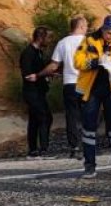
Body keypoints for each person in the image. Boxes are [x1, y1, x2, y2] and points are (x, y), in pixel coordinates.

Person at [73, 14, 111, 179]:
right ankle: (89, 166)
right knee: (89, 128)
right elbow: (77, 61)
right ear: (103, 29)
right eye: (109, 33)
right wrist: (96, 61)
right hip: (91, 90)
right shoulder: (89, 41)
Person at [43, 15, 89, 159]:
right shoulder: (89, 42)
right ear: (81, 26)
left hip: (70, 83)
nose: (87, 28)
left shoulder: (63, 43)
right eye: (86, 25)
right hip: (86, 83)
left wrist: (39, 74)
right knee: (89, 114)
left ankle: (74, 147)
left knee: (71, 115)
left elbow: (54, 65)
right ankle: (89, 145)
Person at [20, 26, 54, 158]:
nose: (49, 40)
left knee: (34, 120)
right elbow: (28, 74)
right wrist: (40, 75)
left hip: (38, 91)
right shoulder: (29, 53)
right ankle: (43, 150)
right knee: (45, 117)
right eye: (48, 37)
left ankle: (33, 150)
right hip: (32, 92)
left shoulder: (38, 52)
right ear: (40, 37)